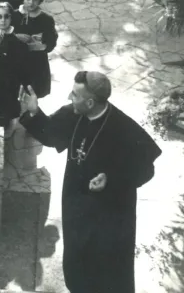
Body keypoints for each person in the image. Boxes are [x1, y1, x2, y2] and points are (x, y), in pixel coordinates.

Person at [18, 71, 162, 293]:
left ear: (91, 102)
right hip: (77, 206)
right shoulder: (74, 114)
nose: (69, 97)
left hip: (111, 215)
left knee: (106, 274)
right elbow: (51, 134)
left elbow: (146, 169)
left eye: (75, 95)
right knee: (77, 264)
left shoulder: (122, 126)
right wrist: (34, 111)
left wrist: (111, 179)